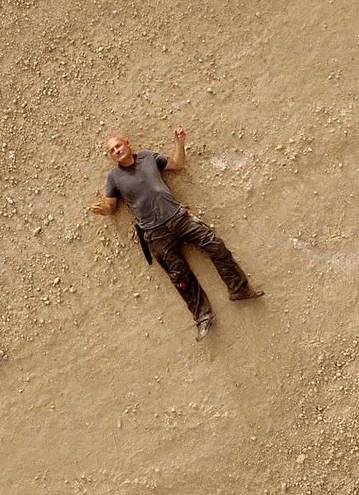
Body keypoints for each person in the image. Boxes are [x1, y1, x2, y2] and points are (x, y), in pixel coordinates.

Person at [89, 128, 262, 340]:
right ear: (111, 156)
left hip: (179, 218)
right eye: (112, 150)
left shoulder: (148, 157)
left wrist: (180, 143)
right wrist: (103, 210)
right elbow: (111, 206)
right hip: (154, 232)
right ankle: (203, 316)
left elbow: (177, 165)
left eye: (118, 145)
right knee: (180, 276)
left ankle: (239, 289)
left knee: (215, 245)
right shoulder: (114, 177)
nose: (116, 151)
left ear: (127, 143)